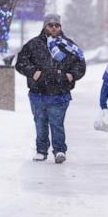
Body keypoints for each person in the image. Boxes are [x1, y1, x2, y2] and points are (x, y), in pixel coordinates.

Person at [16, 14, 86, 164]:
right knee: (40, 123)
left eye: (57, 25)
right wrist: (33, 72)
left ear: (60, 27)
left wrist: (71, 75)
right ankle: (41, 150)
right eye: (51, 25)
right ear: (45, 26)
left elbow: (80, 64)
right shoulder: (33, 44)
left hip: (60, 93)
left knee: (56, 123)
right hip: (38, 93)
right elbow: (20, 63)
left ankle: (60, 150)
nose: (54, 27)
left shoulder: (68, 45)